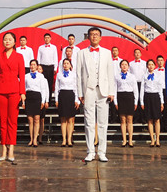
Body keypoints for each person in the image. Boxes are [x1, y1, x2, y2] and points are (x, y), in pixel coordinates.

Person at [74, 27, 116, 162]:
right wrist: (80, 92)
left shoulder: (107, 53)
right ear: (88, 37)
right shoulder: (81, 53)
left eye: (96, 34)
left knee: (103, 122)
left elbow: (110, 73)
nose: (94, 36)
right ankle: (90, 151)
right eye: (92, 34)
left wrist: (111, 92)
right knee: (89, 122)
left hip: (103, 91)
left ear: (100, 37)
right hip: (89, 90)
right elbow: (78, 74)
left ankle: (102, 152)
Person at [0, 31, 26, 163]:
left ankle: (11, 149)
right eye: (5, 39)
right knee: (3, 121)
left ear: (14, 42)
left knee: (12, 121)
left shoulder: (19, 56)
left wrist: (22, 93)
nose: (7, 41)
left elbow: (22, 76)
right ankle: (4, 149)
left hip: (14, 91)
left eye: (10, 39)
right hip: (0, 91)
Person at [114, 59, 140, 147]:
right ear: (120, 66)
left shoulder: (132, 76)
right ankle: (124, 140)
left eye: (126, 64)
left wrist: (136, 101)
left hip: (129, 97)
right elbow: (114, 89)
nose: (124, 66)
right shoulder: (116, 76)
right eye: (122, 64)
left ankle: (130, 140)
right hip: (120, 97)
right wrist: (115, 102)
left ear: (128, 67)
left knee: (129, 119)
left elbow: (135, 89)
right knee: (122, 119)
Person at [55, 58, 79, 146]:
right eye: (64, 63)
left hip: (70, 95)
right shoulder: (59, 75)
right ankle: (64, 140)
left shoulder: (73, 75)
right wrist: (56, 100)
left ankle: (69, 139)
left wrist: (76, 100)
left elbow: (76, 88)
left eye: (67, 63)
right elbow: (57, 88)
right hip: (62, 95)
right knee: (63, 119)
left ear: (70, 65)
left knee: (70, 119)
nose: (65, 65)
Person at [24, 60, 49, 147]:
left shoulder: (41, 76)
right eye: (31, 64)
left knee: (37, 119)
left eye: (34, 64)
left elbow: (43, 89)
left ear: (37, 66)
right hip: (29, 96)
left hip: (37, 96)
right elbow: (24, 88)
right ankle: (31, 139)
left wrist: (43, 101)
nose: (32, 66)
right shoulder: (26, 76)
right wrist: (23, 101)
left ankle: (35, 139)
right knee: (30, 119)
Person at [140, 59, 164, 147]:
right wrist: (141, 102)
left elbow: (160, 89)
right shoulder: (144, 76)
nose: (150, 66)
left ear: (154, 66)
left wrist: (162, 102)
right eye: (149, 64)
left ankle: (157, 139)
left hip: (156, 97)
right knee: (149, 120)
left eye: (152, 64)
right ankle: (152, 140)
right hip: (147, 97)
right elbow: (142, 89)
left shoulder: (158, 76)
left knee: (157, 119)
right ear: (147, 66)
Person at [37, 33, 58, 98]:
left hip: (51, 67)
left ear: (50, 38)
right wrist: (38, 67)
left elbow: (55, 58)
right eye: (45, 38)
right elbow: (38, 58)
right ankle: (42, 98)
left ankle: (49, 99)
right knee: (42, 83)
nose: (47, 39)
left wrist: (55, 68)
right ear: (44, 39)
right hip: (43, 67)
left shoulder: (54, 47)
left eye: (48, 38)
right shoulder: (40, 47)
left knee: (50, 83)